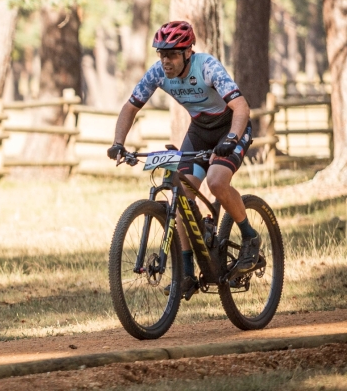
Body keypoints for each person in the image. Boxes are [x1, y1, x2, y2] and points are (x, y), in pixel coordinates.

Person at [107, 20, 261, 297]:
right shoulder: (158, 73)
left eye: (172, 54)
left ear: (188, 52)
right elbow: (130, 107)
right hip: (200, 132)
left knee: (216, 181)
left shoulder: (207, 67)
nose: (165, 60)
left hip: (231, 128)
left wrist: (231, 139)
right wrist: (118, 143)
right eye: (161, 54)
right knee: (180, 198)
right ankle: (187, 274)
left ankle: (250, 236)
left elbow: (241, 107)